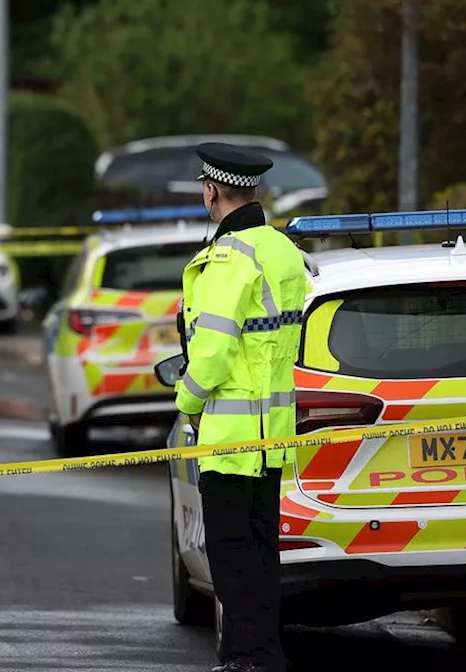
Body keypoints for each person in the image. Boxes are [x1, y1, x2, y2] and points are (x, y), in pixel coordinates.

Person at [173, 143, 307, 672]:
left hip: (230, 436)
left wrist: (186, 400)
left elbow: (213, 353)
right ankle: (257, 653)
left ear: (212, 191)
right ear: (255, 190)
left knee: (230, 557)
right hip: (272, 432)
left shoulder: (228, 260)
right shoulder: (282, 250)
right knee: (260, 552)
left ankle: (251, 658)